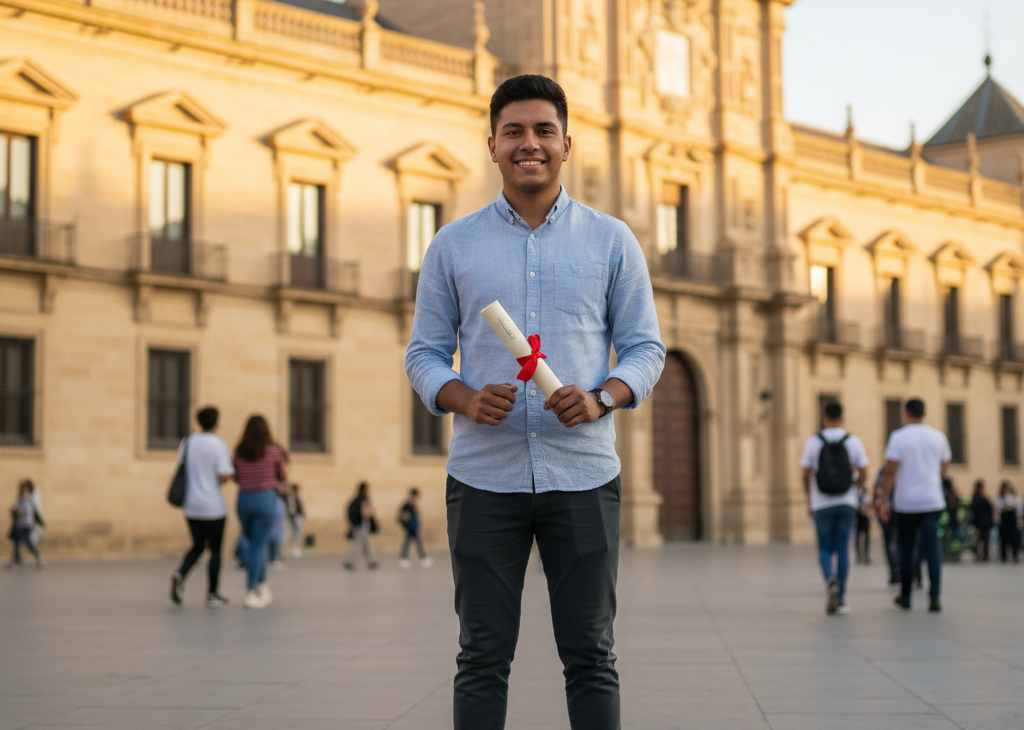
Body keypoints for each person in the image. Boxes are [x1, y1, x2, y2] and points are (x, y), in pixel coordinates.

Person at [405, 74, 665, 730]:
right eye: (514, 131)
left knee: (591, 656)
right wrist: (463, 396)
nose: (530, 144)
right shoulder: (452, 246)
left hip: (583, 476)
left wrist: (602, 397)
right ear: (491, 145)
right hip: (483, 480)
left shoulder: (612, 242)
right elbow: (423, 354)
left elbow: (645, 350)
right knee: (482, 656)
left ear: (567, 144)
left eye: (544, 131)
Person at [877, 399, 951, 612]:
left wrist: (883, 498)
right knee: (932, 550)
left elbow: (890, 472)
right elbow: (945, 469)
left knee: (906, 548)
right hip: (932, 501)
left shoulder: (898, 437)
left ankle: (906, 595)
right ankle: (934, 597)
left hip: (907, 503)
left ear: (906, 413)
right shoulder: (938, 437)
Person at [799, 402, 869, 614]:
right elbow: (864, 472)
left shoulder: (814, 442)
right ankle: (841, 598)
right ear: (842, 418)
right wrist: (854, 484)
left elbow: (804, 475)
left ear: (825, 418)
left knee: (824, 548)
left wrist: (809, 499)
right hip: (847, 502)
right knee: (842, 548)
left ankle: (830, 579)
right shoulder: (853, 441)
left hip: (822, 503)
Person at [170, 407, 234, 608]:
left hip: (191, 505)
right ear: (216, 423)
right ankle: (212, 594)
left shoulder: (187, 442)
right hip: (213, 506)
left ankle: (180, 574)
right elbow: (224, 474)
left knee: (198, 545)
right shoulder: (219, 445)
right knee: (215, 550)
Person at [233, 415, 288, 609]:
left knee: (255, 543)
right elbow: (283, 475)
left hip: (244, 500)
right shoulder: (273, 451)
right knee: (258, 546)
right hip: (265, 499)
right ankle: (251, 591)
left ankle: (262, 586)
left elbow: (236, 476)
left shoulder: (239, 452)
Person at [7, 480, 43, 568]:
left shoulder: (27, 498)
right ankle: (18, 558)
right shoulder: (20, 498)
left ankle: (36, 557)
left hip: (25, 524)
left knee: (25, 541)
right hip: (21, 524)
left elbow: (27, 511)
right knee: (18, 541)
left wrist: (18, 512)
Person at [343, 482, 378, 570]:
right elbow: (365, 513)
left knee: (366, 544)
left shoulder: (361, 500)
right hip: (360, 525)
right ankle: (349, 560)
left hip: (363, 525)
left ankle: (371, 560)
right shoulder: (360, 501)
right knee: (357, 544)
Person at [874, 469, 900, 584]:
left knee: (888, 542)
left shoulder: (882, 472)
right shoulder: (903, 470)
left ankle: (894, 572)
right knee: (901, 542)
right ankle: (900, 570)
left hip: (886, 510)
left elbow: (876, 490)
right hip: (900, 510)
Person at [397, 487, 432, 568]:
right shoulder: (406, 505)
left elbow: (417, 514)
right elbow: (403, 516)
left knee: (415, 543)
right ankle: (405, 558)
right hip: (410, 527)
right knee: (411, 543)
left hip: (414, 527)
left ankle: (421, 558)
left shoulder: (413, 505)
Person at [996, 480, 1022, 563]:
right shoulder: (1000, 498)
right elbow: (998, 509)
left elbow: (1018, 509)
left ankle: (1015, 555)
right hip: (1004, 520)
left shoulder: (1015, 497)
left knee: (1014, 538)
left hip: (1012, 519)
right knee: (1004, 539)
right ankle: (1004, 556)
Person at [970, 479, 994, 562]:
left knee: (980, 539)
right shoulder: (982, 498)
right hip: (984, 522)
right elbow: (990, 507)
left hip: (979, 522)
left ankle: (980, 554)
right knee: (984, 539)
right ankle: (984, 554)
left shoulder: (975, 498)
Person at [284, 482, 305, 559]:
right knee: (291, 531)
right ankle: (290, 548)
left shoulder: (298, 496)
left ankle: (295, 548)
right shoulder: (290, 497)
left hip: (297, 516)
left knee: (298, 532)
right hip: (292, 516)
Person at [855, 484, 872, 565]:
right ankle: (858, 556)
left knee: (866, 537)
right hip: (858, 517)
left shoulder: (866, 496)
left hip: (865, 517)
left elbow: (868, 505)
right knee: (857, 537)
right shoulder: (855, 494)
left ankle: (866, 555)